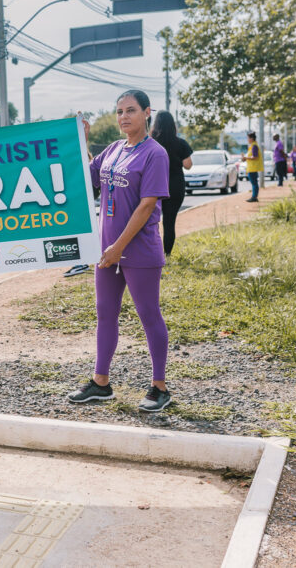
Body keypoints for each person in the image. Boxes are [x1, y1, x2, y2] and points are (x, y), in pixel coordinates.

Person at [68, 89, 173, 413]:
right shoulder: (113, 150)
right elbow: (88, 179)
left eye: (130, 110)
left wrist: (118, 247)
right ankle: (101, 383)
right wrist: (81, 142)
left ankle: (159, 387)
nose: (123, 117)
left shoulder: (155, 154)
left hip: (138, 250)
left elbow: (146, 205)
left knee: (148, 314)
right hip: (107, 251)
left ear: (146, 113)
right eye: (119, 112)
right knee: (105, 314)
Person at [150, 111, 192, 256]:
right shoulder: (180, 143)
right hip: (175, 188)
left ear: (156, 125)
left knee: (149, 222)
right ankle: (166, 254)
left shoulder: (150, 143)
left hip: (153, 187)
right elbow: (188, 165)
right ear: (173, 125)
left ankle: (151, 253)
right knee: (169, 223)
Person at [241, 132, 263, 202]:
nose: (247, 140)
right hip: (251, 168)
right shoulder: (252, 146)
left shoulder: (254, 146)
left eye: (248, 138)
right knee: (254, 183)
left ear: (252, 138)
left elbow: (255, 156)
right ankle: (254, 196)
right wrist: (245, 158)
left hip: (253, 168)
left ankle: (254, 197)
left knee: (254, 183)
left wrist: (246, 158)